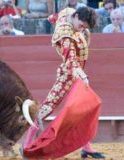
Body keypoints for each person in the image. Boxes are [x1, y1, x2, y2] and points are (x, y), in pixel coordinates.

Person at [21, 7, 105, 159]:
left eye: (85, 27)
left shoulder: (68, 13)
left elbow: (58, 15)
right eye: (82, 25)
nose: (82, 29)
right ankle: (26, 145)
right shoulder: (65, 35)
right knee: (46, 108)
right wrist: (82, 75)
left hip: (77, 75)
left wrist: (51, 18)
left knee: (82, 108)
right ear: (76, 16)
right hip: (68, 75)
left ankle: (87, 148)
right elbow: (71, 60)